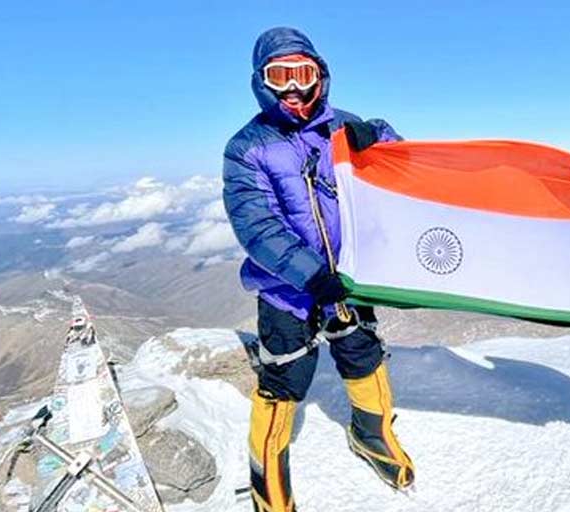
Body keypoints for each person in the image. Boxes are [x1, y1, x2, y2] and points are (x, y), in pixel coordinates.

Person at [222, 27, 415, 512]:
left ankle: (371, 436)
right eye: (280, 75)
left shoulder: (342, 127)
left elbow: (402, 167)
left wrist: (381, 135)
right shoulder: (247, 147)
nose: (293, 87)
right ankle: (268, 481)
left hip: (348, 280)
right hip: (288, 289)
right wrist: (311, 275)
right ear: (261, 81)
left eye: (302, 73)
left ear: (320, 75)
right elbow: (256, 225)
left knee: (363, 355)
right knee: (285, 378)